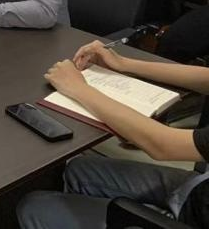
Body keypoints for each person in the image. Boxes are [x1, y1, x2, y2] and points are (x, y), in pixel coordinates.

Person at [16, 39, 209, 228]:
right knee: (78, 169)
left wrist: (77, 88)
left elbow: (164, 145)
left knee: (33, 207)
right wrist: (123, 64)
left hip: (195, 216)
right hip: (198, 188)